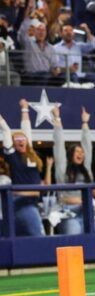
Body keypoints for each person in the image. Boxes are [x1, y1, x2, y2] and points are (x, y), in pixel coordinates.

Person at [51, 105, 95, 235]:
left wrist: (85, 123)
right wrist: (57, 119)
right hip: (68, 213)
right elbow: (59, 144)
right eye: (77, 152)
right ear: (70, 154)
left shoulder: (86, 169)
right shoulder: (62, 167)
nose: (81, 154)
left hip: (87, 212)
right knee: (74, 242)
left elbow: (87, 146)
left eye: (82, 152)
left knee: (92, 243)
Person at [0, 99, 46, 236]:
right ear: (13, 144)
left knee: (25, 236)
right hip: (22, 203)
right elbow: (6, 131)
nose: (21, 140)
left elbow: (27, 130)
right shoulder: (13, 156)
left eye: (23, 139)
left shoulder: (30, 155)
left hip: (33, 202)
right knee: (40, 237)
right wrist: (1, 121)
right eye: (17, 139)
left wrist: (25, 109)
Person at [52, 23, 95, 87]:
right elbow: (54, 68)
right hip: (64, 75)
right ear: (61, 34)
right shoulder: (55, 48)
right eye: (66, 30)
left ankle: (92, 96)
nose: (69, 33)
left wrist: (87, 31)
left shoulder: (79, 46)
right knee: (74, 77)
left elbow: (92, 45)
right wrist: (68, 69)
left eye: (71, 30)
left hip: (79, 74)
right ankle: (77, 95)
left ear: (74, 34)